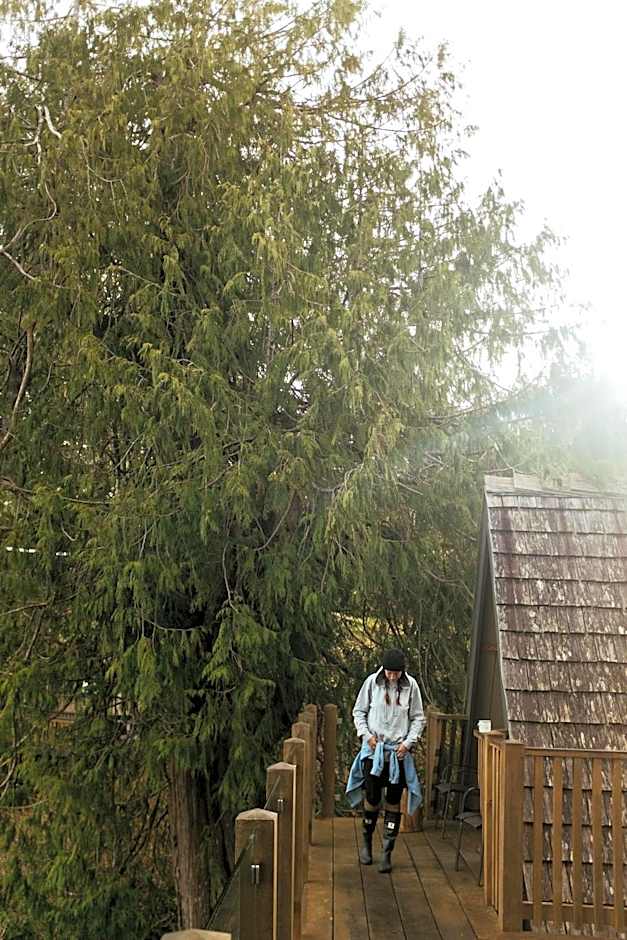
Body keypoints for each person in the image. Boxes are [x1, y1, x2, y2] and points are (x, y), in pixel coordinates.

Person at [345, 648, 425, 873]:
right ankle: (367, 843)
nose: (392, 677)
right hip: (374, 750)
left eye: (396, 673)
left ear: (402, 671)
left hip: (398, 752)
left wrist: (408, 743)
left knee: (393, 799)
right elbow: (358, 712)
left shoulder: (411, 687)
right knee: (372, 797)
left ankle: (388, 851)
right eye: (389, 672)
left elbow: (418, 718)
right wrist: (366, 736)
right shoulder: (372, 683)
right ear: (383, 670)